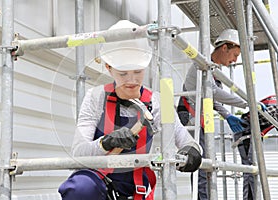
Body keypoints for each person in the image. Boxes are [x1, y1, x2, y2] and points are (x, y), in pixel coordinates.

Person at [58, 20, 202, 200]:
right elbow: (78, 153)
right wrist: (105, 143)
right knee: (80, 189)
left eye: (138, 71)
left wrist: (192, 151)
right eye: (123, 73)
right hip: (98, 179)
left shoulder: (158, 101)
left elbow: (185, 139)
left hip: (135, 185)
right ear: (109, 68)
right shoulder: (95, 97)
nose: (132, 80)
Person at [177, 29, 248, 200]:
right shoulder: (202, 65)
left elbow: (212, 98)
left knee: (207, 161)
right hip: (190, 115)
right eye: (235, 55)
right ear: (224, 48)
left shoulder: (213, 71)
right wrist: (247, 102)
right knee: (200, 161)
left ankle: (206, 196)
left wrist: (227, 115)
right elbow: (213, 92)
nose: (234, 61)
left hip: (199, 116)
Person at [234, 95, 276, 200]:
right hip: (246, 132)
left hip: (253, 132)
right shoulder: (275, 105)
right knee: (250, 169)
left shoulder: (273, 102)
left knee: (252, 169)